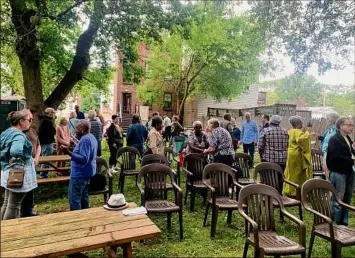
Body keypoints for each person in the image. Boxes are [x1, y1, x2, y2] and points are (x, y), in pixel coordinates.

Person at [1, 110, 37, 220]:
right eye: (29, 120)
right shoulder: (19, 135)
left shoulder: (6, 132)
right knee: (13, 206)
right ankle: (10, 233)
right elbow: (16, 151)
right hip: (17, 175)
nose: (31, 122)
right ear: (21, 121)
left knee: (7, 203)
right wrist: (18, 165)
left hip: (7, 172)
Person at [326, 117, 355, 226]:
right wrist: (352, 160)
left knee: (347, 199)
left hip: (349, 171)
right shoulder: (335, 139)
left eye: (352, 125)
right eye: (349, 125)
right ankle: (334, 225)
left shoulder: (347, 138)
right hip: (338, 173)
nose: (352, 127)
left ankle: (344, 223)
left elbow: (350, 153)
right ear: (341, 126)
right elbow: (335, 157)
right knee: (338, 200)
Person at [64, 120, 98, 210]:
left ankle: (76, 217)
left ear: (82, 129)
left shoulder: (85, 139)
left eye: (77, 128)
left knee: (75, 198)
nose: (75, 130)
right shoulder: (91, 137)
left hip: (80, 173)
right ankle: (85, 215)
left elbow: (83, 159)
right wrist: (75, 147)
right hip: (87, 172)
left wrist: (68, 152)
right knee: (83, 196)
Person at [283, 116, 313, 197]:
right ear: (298, 123)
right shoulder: (296, 131)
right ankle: (295, 192)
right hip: (297, 156)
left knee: (290, 173)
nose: (302, 125)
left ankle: (289, 190)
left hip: (291, 155)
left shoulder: (291, 131)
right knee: (297, 174)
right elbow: (302, 139)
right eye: (301, 123)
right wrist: (308, 130)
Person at [21, 114, 41, 217]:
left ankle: (28, 211)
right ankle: (21, 212)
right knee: (22, 189)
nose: (31, 121)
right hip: (23, 166)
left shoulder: (32, 130)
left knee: (31, 189)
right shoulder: (18, 133)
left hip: (33, 165)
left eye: (32, 119)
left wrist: (36, 158)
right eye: (29, 119)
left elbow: (38, 145)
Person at [38, 107, 56, 178]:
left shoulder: (43, 120)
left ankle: (43, 173)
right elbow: (53, 131)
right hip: (47, 142)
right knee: (46, 159)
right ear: (50, 113)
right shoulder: (47, 121)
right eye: (54, 113)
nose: (54, 114)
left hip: (44, 142)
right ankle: (43, 175)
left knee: (45, 158)